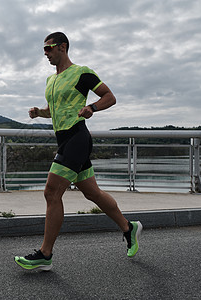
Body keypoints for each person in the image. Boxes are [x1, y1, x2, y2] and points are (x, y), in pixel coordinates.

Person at [14, 32, 142, 271]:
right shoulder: (50, 81)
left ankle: (45, 254)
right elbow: (55, 110)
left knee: (51, 192)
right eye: (43, 49)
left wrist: (92, 107)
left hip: (77, 137)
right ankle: (128, 228)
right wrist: (39, 113)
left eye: (49, 48)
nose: (45, 53)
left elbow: (110, 97)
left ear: (62, 47)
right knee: (93, 193)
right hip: (64, 140)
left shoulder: (81, 72)